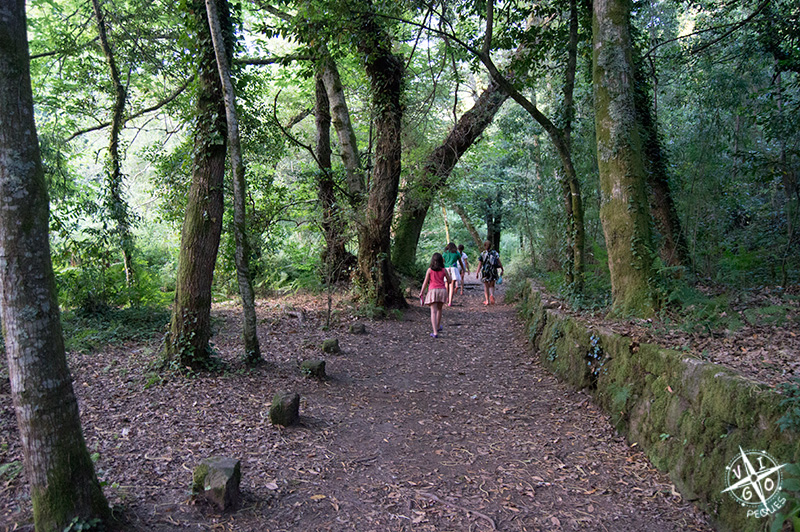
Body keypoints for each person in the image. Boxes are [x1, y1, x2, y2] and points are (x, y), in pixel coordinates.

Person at [419, 252, 451, 338]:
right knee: (439, 309)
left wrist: (421, 292)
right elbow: (449, 281)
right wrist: (450, 273)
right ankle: (438, 326)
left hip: (433, 291)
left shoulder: (430, 270)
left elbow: (425, 283)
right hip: (442, 291)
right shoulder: (444, 270)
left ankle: (435, 332)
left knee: (433, 311)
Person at [476, 240, 504, 305]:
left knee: (486, 286)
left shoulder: (482, 254)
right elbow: (499, 261)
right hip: (493, 270)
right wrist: (502, 269)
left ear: (484, 246)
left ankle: (487, 301)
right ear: (490, 246)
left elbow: (480, 264)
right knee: (492, 285)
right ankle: (492, 295)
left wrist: (477, 272)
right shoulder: (495, 253)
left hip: (485, 271)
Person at [442, 242, 465, 306]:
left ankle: (446, 298)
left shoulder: (445, 253)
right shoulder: (456, 253)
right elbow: (460, 262)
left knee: (446, 284)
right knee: (452, 285)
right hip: (454, 269)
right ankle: (450, 302)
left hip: (446, 269)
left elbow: (442, 261)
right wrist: (463, 269)